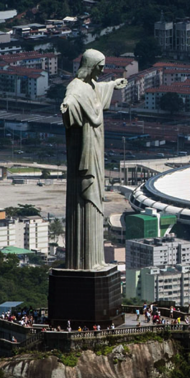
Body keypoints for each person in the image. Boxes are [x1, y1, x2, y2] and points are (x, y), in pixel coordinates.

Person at [61, 49, 127, 270]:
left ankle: (95, 260)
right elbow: (71, 98)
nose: (102, 70)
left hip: (96, 147)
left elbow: (96, 89)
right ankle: (84, 263)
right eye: (100, 66)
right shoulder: (76, 87)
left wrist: (112, 85)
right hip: (85, 151)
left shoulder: (90, 85)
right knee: (85, 200)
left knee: (96, 198)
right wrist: (67, 106)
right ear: (90, 65)